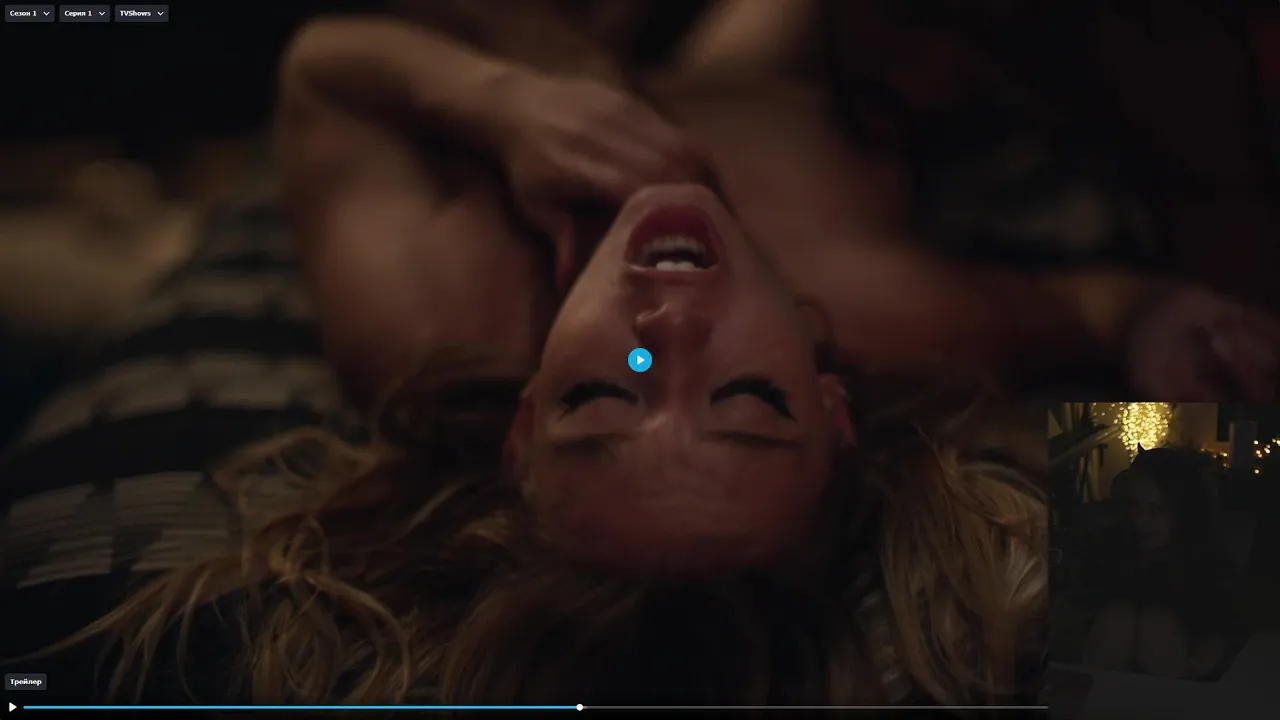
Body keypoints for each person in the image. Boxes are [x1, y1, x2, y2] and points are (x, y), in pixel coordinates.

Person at [22, 9, 1279, 707]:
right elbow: (1110, 320)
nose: (666, 328)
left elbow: (323, 62)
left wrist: (501, 103)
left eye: (600, 396)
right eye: (748, 397)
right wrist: (1160, 329)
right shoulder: (886, 315)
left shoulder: (434, 320)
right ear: (833, 405)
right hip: (827, 71)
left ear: (520, 422)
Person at [1082, 451, 1244, 679]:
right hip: (1115, 679)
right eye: (1135, 507)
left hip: (1183, 681)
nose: (1142, 520)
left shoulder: (1206, 563)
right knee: (1117, 619)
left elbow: (1221, 630)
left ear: (1182, 511)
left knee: (1155, 624)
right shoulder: (1114, 549)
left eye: (1156, 509)